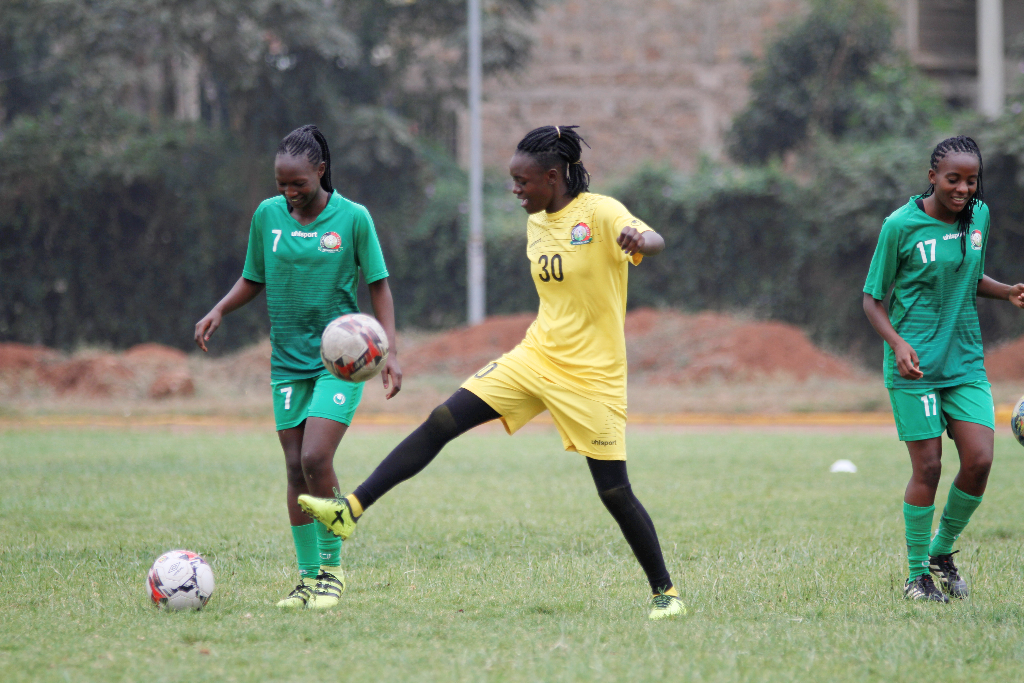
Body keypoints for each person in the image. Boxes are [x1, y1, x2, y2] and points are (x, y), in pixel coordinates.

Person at [297, 125, 685, 621]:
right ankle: (350, 509)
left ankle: (666, 593)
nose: (515, 190)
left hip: (593, 376)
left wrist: (639, 237)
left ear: (552, 176)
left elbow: (654, 239)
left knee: (613, 490)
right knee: (443, 419)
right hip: (537, 357)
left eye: (523, 182)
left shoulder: (601, 212)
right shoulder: (536, 222)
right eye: (512, 181)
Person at [193, 124, 402, 610]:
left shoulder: (353, 219)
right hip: (286, 363)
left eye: (298, 184)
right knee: (293, 469)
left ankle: (332, 571)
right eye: (282, 184)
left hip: (341, 363)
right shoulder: (268, 216)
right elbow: (252, 277)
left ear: (320, 171)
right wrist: (220, 309)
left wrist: (389, 350)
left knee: (314, 459)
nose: (289, 193)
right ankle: (307, 579)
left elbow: (379, 285)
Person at [863, 135, 1024, 602]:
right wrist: (897, 343)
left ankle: (942, 552)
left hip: (965, 362)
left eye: (971, 180)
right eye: (953, 179)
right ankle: (916, 577)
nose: (963, 189)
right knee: (929, 467)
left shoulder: (979, 217)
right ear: (932, 177)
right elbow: (872, 299)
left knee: (980, 460)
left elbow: (970, 278)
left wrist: (1006, 292)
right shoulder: (900, 225)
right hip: (914, 368)